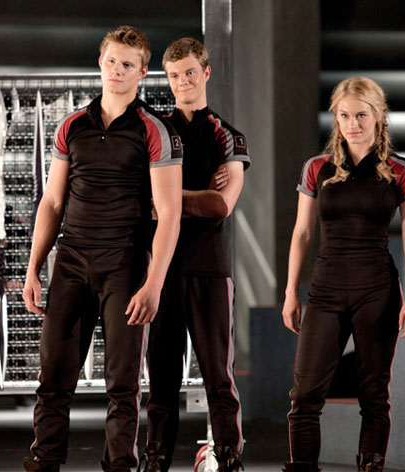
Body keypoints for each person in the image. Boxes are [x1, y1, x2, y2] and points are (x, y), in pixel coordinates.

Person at [21, 26, 183, 472]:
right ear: (100, 62)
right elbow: (52, 203)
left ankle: (119, 466)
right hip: (71, 261)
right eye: (111, 61)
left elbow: (170, 214)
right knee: (54, 376)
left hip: (125, 263)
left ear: (142, 72)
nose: (117, 70)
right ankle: (45, 461)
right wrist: (34, 268)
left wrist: (153, 284)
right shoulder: (72, 125)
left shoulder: (156, 129)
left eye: (127, 64)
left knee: (122, 382)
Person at [282, 77, 405, 472]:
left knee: (374, 395)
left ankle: (370, 466)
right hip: (326, 290)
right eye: (344, 116)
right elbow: (302, 233)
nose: (352, 124)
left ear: (378, 115)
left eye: (361, 115)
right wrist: (291, 292)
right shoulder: (317, 167)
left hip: (377, 291)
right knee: (304, 395)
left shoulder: (400, 170)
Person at [142, 38, 250, 472]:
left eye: (189, 72)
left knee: (218, 378)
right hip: (161, 270)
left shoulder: (227, 135)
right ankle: (155, 460)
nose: (182, 81)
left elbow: (221, 205)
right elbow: (141, 202)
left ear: (206, 73)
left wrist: (167, 199)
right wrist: (194, 196)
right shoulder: (154, 130)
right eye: (174, 75)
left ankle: (228, 458)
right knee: (161, 381)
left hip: (209, 269)